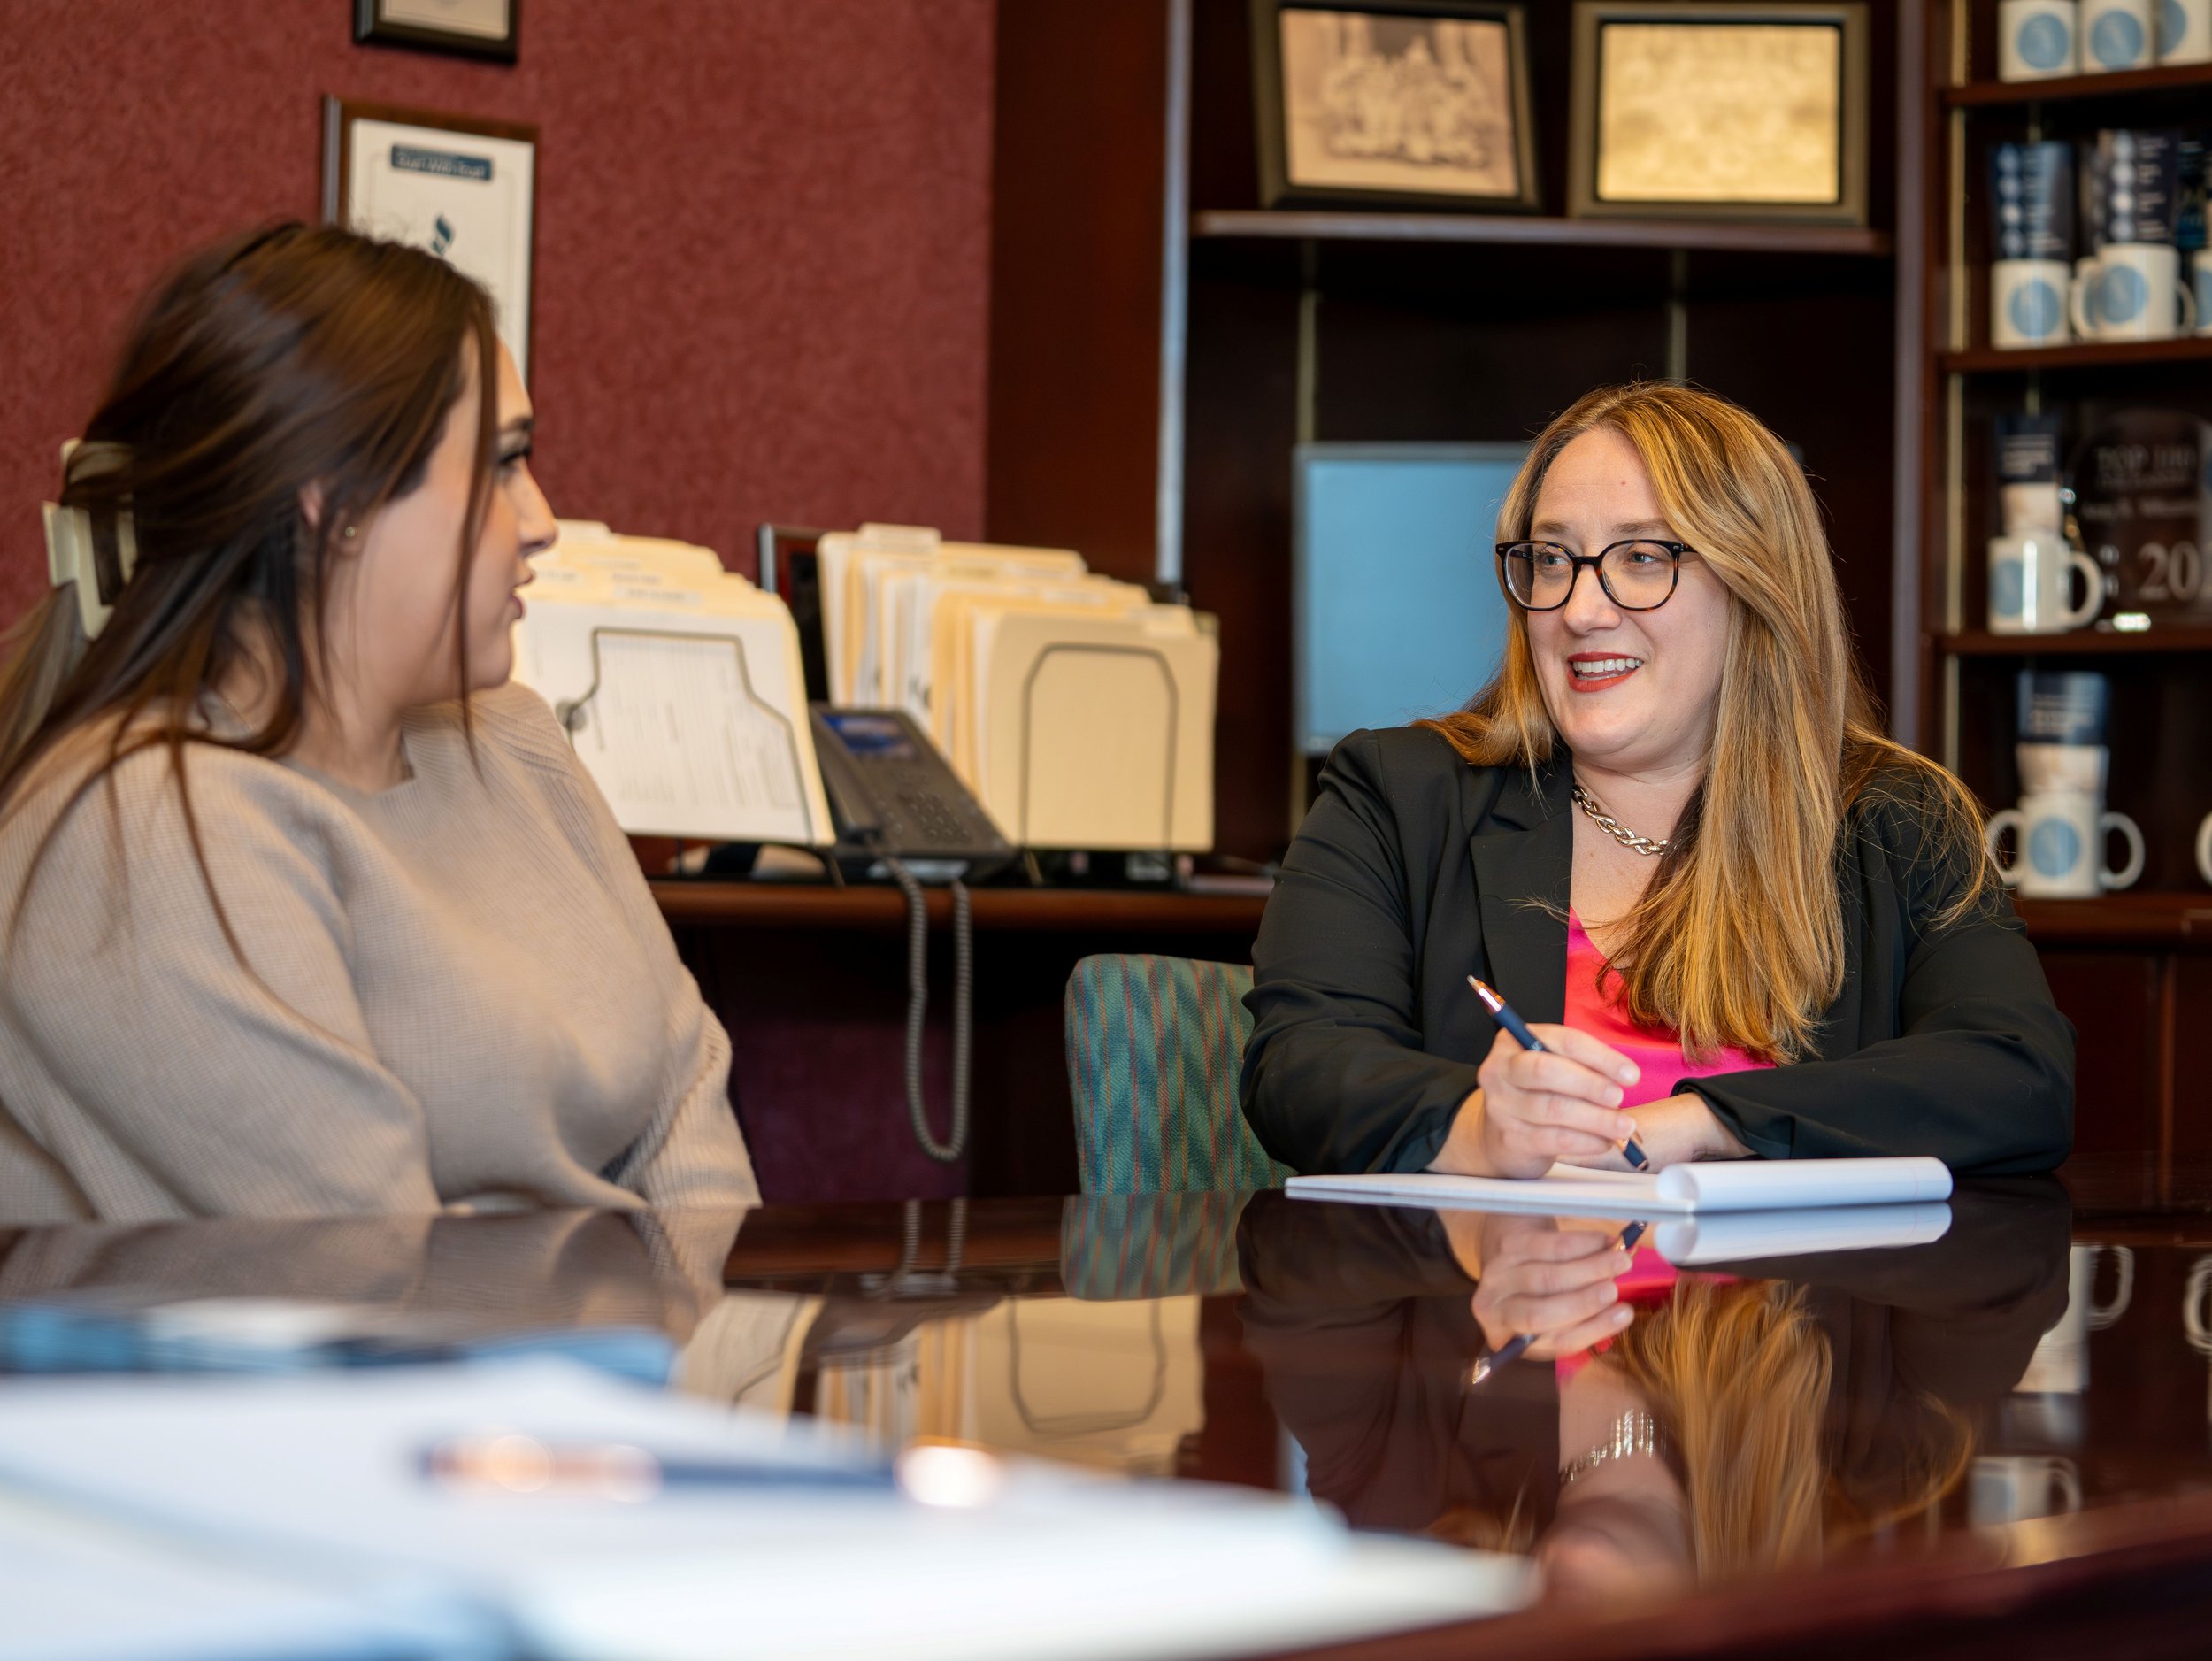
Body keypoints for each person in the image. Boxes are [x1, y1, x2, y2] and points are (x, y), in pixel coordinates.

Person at [0, 223, 759, 1222]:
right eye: (501, 463)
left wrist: (714, 1354)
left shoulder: (514, 741)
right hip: (439, 1372)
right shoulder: (142, 831)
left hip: (637, 1369)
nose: (541, 520)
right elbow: (373, 1268)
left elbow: (684, 1101)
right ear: (334, 504)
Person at [1240, 382, 2073, 1178]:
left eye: (1642, 557)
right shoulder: (1397, 793)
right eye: (1551, 559)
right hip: (1503, 1314)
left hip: (1801, 1323)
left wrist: (1705, 1124)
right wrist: (1475, 1128)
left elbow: (2018, 1075)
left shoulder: (1897, 818)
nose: (1579, 609)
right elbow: (1299, 1066)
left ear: (1757, 588)